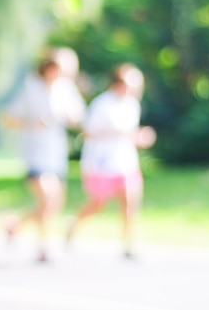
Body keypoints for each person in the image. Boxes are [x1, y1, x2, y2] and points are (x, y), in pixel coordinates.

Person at [1, 55, 85, 263]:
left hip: (56, 154)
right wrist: (31, 123)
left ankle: (16, 224)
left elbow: (79, 117)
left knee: (53, 204)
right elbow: (9, 118)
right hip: (35, 153)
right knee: (47, 198)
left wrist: (70, 114)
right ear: (45, 69)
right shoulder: (31, 89)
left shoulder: (66, 89)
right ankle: (43, 247)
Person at [66, 63, 155, 259]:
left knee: (130, 202)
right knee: (98, 204)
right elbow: (88, 133)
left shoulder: (132, 105)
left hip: (125, 162)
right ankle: (74, 224)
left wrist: (137, 138)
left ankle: (128, 244)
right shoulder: (102, 104)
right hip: (101, 164)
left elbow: (128, 135)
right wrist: (116, 133)